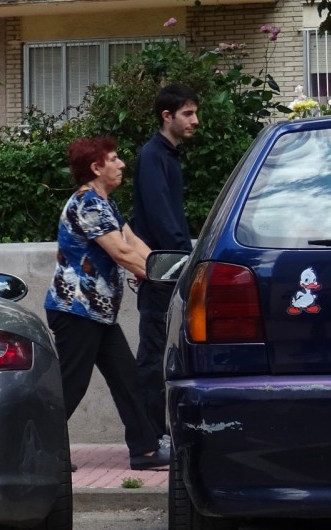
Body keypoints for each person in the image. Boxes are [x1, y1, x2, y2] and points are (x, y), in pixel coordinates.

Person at [44, 137, 170, 471]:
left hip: (96, 312)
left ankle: (144, 451)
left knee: (128, 379)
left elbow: (134, 243)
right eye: (114, 159)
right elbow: (122, 253)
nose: (121, 164)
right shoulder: (87, 204)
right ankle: (38, 451)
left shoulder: (106, 204)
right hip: (75, 310)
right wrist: (162, 278)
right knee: (71, 383)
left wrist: (169, 271)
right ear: (96, 168)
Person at [131, 83, 199, 442]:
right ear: (166, 116)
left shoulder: (168, 156)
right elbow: (160, 219)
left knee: (164, 352)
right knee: (154, 354)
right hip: (161, 272)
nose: (195, 120)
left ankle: (157, 435)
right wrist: (184, 262)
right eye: (188, 113)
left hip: (170, 268)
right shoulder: (152, 156)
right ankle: (151, 437)